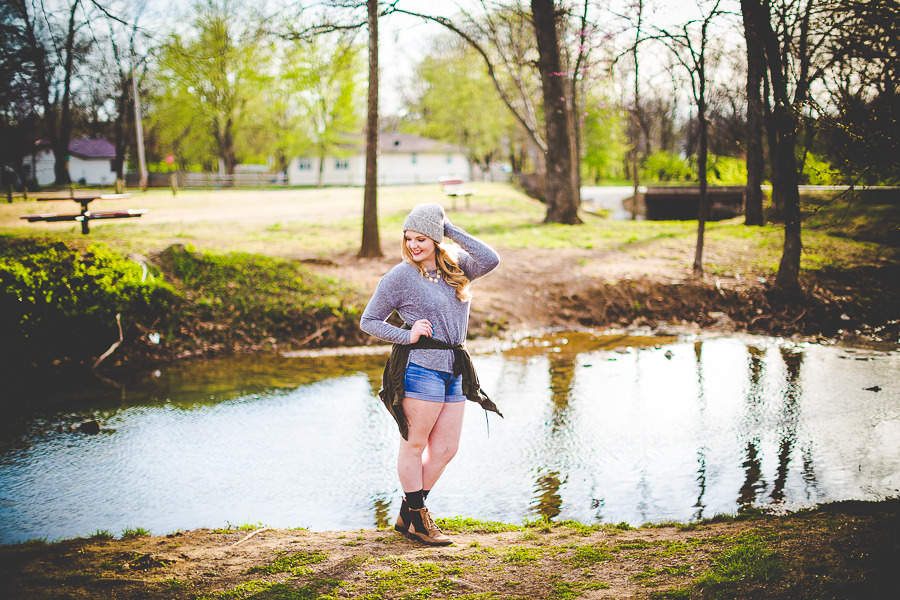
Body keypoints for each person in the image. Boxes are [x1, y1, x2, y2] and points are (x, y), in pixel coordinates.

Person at [360, 202, 502, 546]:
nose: (413, 246)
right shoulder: (401, 276)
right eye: (408, 238)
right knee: (415, 444)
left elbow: (490, 258)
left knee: (446, 449)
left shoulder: (456, 267)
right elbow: (369, 321)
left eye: (421, 238)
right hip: (420, 368)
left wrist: (448, 228)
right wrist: (406, 334)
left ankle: (408, 512)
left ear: (436, 239)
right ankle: (420, 521)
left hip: (454, 368)